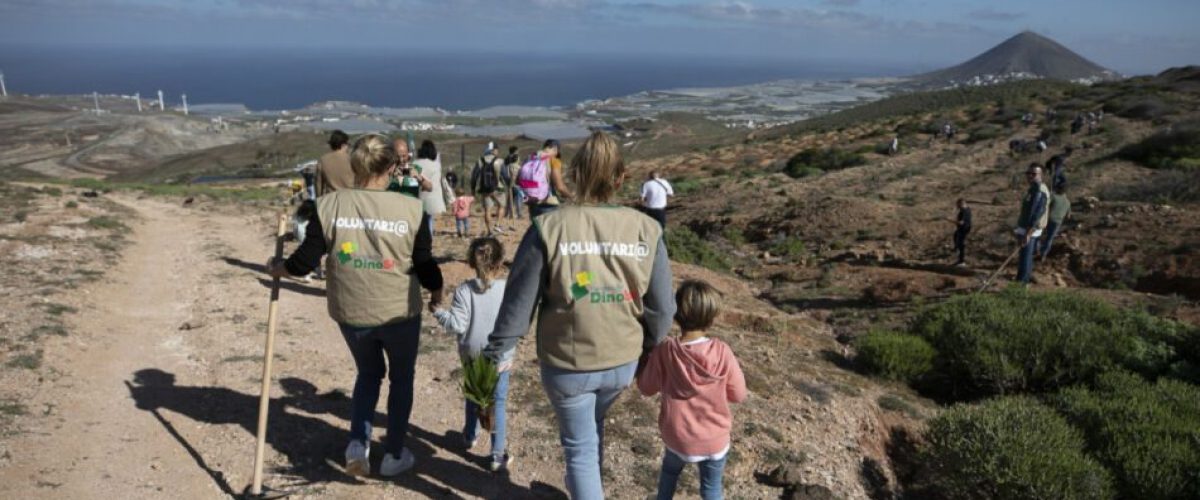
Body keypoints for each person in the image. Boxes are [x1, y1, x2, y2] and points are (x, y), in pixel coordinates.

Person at [485, 132, 675, 499]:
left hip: (568, 363)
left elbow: (518, 302)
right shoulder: (648, 230)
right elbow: (663, 307)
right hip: (622, 359)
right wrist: (648, 345)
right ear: (620, 178)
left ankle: (585, 489)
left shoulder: (549, 227)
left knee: (580, 449)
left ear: (574, 174)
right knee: (591, 432)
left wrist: (499, 351)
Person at [268, 134, 444, 478]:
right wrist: (437, 291)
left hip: (351, 312)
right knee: (401, 379)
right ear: (392, 167)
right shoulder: (411, 208)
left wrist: (279, 269)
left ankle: (357, 444)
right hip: (399, 312)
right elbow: (424, 264)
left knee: (368, 374)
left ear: (354, 165)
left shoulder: (330, 206)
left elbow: (304, 261)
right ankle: (393, 454)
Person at [637, 280, 746, 500]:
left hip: (677, 438)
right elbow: (739, 395)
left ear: (676, 313)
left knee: (669, 473)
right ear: (712, 317)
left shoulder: (666, 350)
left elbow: (646, 388)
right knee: (711, 489)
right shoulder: (722, 351)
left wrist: (644, 360)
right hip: (715, 439)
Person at [433, 237, 513, 472]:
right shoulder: (509, 288)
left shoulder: (464, 290)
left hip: (471, 358)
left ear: (470, 261)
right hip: (501, 357)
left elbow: (457, 325)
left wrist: (438, 312)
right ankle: (497, 455)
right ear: (500, 262)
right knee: (498, 402)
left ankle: (470, 435)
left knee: (473, 396)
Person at [1014, 163, 1050, 284]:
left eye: (1033, 174)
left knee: (1025, 257)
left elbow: (1037, 214)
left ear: (1041, 175)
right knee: (1026, 256)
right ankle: (1022, 282)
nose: (1029, 176)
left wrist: (1028, 233)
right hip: (1027, 228)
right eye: (1028, 173)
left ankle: (1021, 285)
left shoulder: (1039, 191)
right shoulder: (1033, 188)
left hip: (1030, 229)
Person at [525, 139, 574, 219]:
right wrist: (571, 197)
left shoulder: (529, 158)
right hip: (548, 203)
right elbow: (560, 187)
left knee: (537, 228)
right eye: (557, 152)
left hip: (532, 202)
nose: (557, 154)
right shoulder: (554, 160)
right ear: (555, 149)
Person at [415, 140, 447, 235]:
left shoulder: (415, 163)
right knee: (429, 220)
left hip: (417, 197)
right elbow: (435, 184)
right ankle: (428, 241)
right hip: (432, 198)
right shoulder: (436, 165)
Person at [471, 143, 505, 236]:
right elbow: (505, 175)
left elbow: (474, 176)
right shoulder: (500, 161)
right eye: (497, 149)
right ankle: (497, 224)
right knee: (501, 206)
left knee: (487, 210)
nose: (498, 151)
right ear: (493, 150)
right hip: (498, 188)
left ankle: (490, 231)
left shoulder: (480, 161)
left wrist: (473, 189)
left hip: (485, 189)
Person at [316, 130, 354, 196]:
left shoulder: (323, 160)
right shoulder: (351, 159)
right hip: (351, 197)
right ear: (343, 145)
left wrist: (319, 200)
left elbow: (319, 184)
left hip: (332, 199)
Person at [1039, 185, 1071, 260]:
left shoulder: (1054, 197)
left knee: (1039, 234)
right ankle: (1043, 254)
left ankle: (1036, 250)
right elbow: (1068, 216)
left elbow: (1045, 205)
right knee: (1049, 238)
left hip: (1048, 219)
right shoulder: (1068, 202)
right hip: (1058, 222)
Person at [503, 146, 524, 220]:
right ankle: (519, 214)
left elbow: (505, 172)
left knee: (510, 199)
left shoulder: (507, 161)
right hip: (516, 184)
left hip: (509, 183)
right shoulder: (518, 166)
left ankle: (508, 213)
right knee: (518, 199)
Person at [950, 198, 972, 266]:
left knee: (961, 245)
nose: (957, 206)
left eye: (957, 204)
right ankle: (956, 250)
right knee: (955, 236)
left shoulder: (965, 211)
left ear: (961, 204)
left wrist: (950, 220)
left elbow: (961, 222)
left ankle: (961, 261)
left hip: (963, 229)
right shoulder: (966, 209)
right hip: (962, 229)